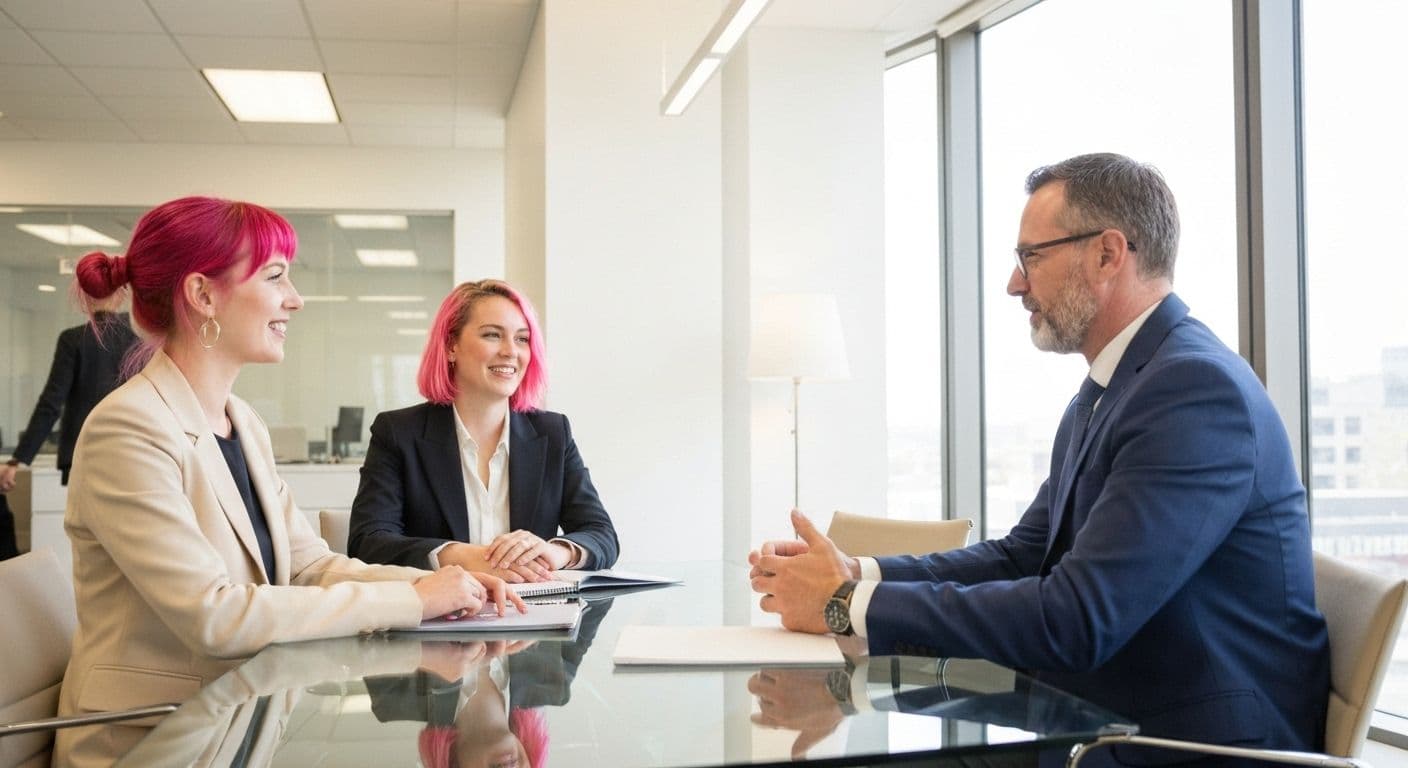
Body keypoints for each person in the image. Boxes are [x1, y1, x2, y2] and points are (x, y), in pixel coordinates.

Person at [749, 153, 1329, 766]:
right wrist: (861, 573)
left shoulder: (1193, 393)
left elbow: (1077, 618)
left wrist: (845, 603)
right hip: (1101, 708)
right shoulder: (1117, 387)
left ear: (1108, 254)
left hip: (1191, 740)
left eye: (1032, 257)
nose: (1015, 283)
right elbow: (1023, 555)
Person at [55, 197, 522, 768]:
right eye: (275, 277)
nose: (294, 299)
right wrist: (412, 599)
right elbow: (215, 615)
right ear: (203, 296)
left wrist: (446, 585)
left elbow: (307, 567)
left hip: (237, 720)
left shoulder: (242, 422)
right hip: (148, 739)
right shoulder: (128, 428)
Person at [348, 279, 618, 582]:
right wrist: (466, 557)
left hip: (532, 617)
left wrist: (553, 552)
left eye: (522, 339)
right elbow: (367, 543)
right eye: (492, 335)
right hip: (441, 618)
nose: (510, 352)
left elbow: (602, 535)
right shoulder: (399, 433)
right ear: (451, 345)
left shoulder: (553, 433)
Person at [0, 288, 138, 493]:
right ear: (121, 295)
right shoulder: (141, 340)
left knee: (87, 524)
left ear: (83, 297)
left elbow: (51, 403)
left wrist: (18, 460)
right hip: (133, 453)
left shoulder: (73, 340)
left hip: (84, 454)